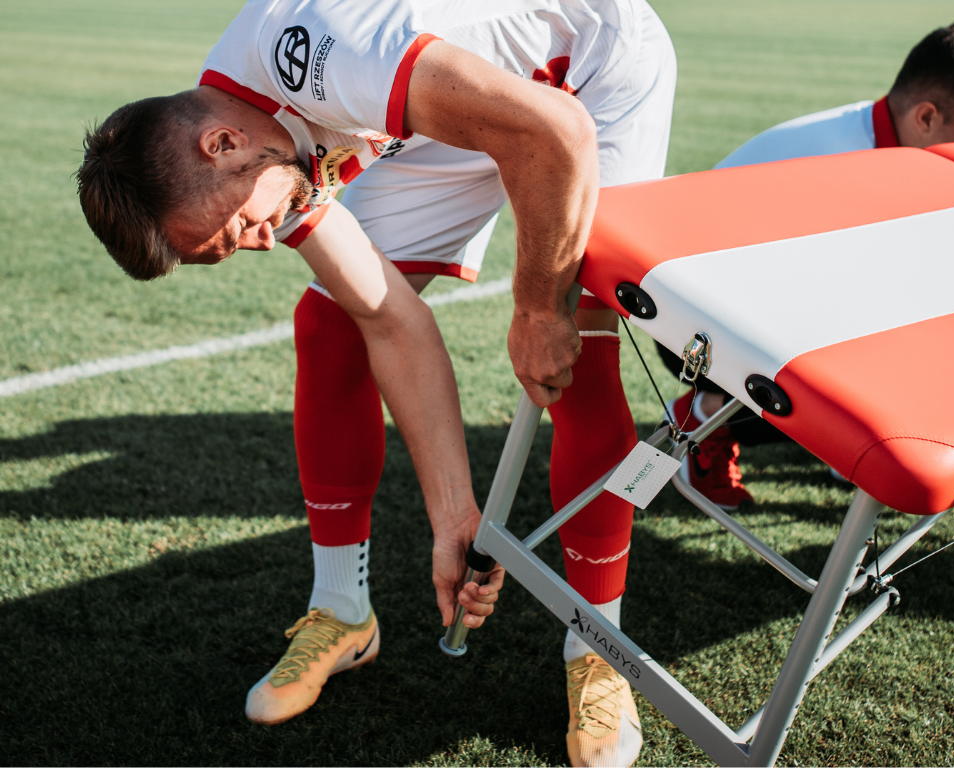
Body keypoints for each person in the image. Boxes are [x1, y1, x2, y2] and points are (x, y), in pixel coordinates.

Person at [76, 1, 677, 765]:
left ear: (221, 144)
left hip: (583, 76)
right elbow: (390, 321)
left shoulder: (317, 60)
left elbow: (554, 132)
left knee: (577, 356)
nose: (265, 242)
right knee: (331, 327)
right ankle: (342, 610)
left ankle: (598, 644)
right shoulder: (256, 148)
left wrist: (537, 305)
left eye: (242, 232)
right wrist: (453, 517)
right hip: (458, 105)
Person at [657, 21, 954, 510]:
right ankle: (706, 415)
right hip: (689, 321)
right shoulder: (837, 161)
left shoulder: (899, 148)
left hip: (768, 293)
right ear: (928, 117)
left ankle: (838, 439)